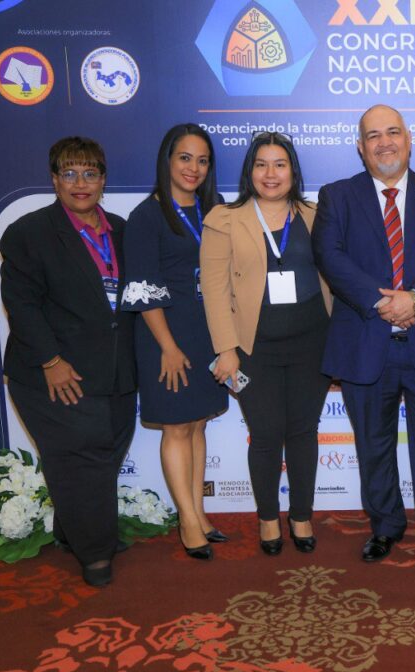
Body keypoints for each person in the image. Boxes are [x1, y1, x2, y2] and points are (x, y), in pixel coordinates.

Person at [312, 104, 415, 577]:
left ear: (409, 138)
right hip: (365, 341)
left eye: (393, 132)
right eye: (373, 135)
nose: (384, 142)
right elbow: (330, 256)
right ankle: (385, 527)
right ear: (360, 147)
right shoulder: (337, 196)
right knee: (373, 445)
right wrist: (381, 303)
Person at [0, 137, 136, 587]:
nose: (81, 183)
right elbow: (22, 305)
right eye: (70, 173)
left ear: (103, 180)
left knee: (108, 452)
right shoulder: (28, 233)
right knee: (81, 461)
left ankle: (71, 532)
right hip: (54, 373)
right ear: (55, 179)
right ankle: (95, 554)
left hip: (114, 370)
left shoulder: (121, 230)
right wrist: (50, 360)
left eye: (90, 173)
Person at [200, 131, 332, 556]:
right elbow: (214, 290)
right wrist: (225, 349)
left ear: (293, 170)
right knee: (265, 434)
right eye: (261, 164)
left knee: (303, 432)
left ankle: (302, 515)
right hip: (252, 347)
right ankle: (268, 518)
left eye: (279, 164)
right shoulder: (224, 219)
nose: (270, 174)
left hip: (313, 342)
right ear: (249, 171)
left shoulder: (317, 215)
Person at [120, 124, 228, 561]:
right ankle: (186, 520)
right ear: (167, 159)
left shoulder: (214, 209)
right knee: (177, 427)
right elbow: (142, 289)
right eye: (185, 158)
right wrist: (167, 346)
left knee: (198, 424)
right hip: (165, 336)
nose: (193, 168)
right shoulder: (147, 216)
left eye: (202, 160)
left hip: (207, 334)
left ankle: (199, 513)